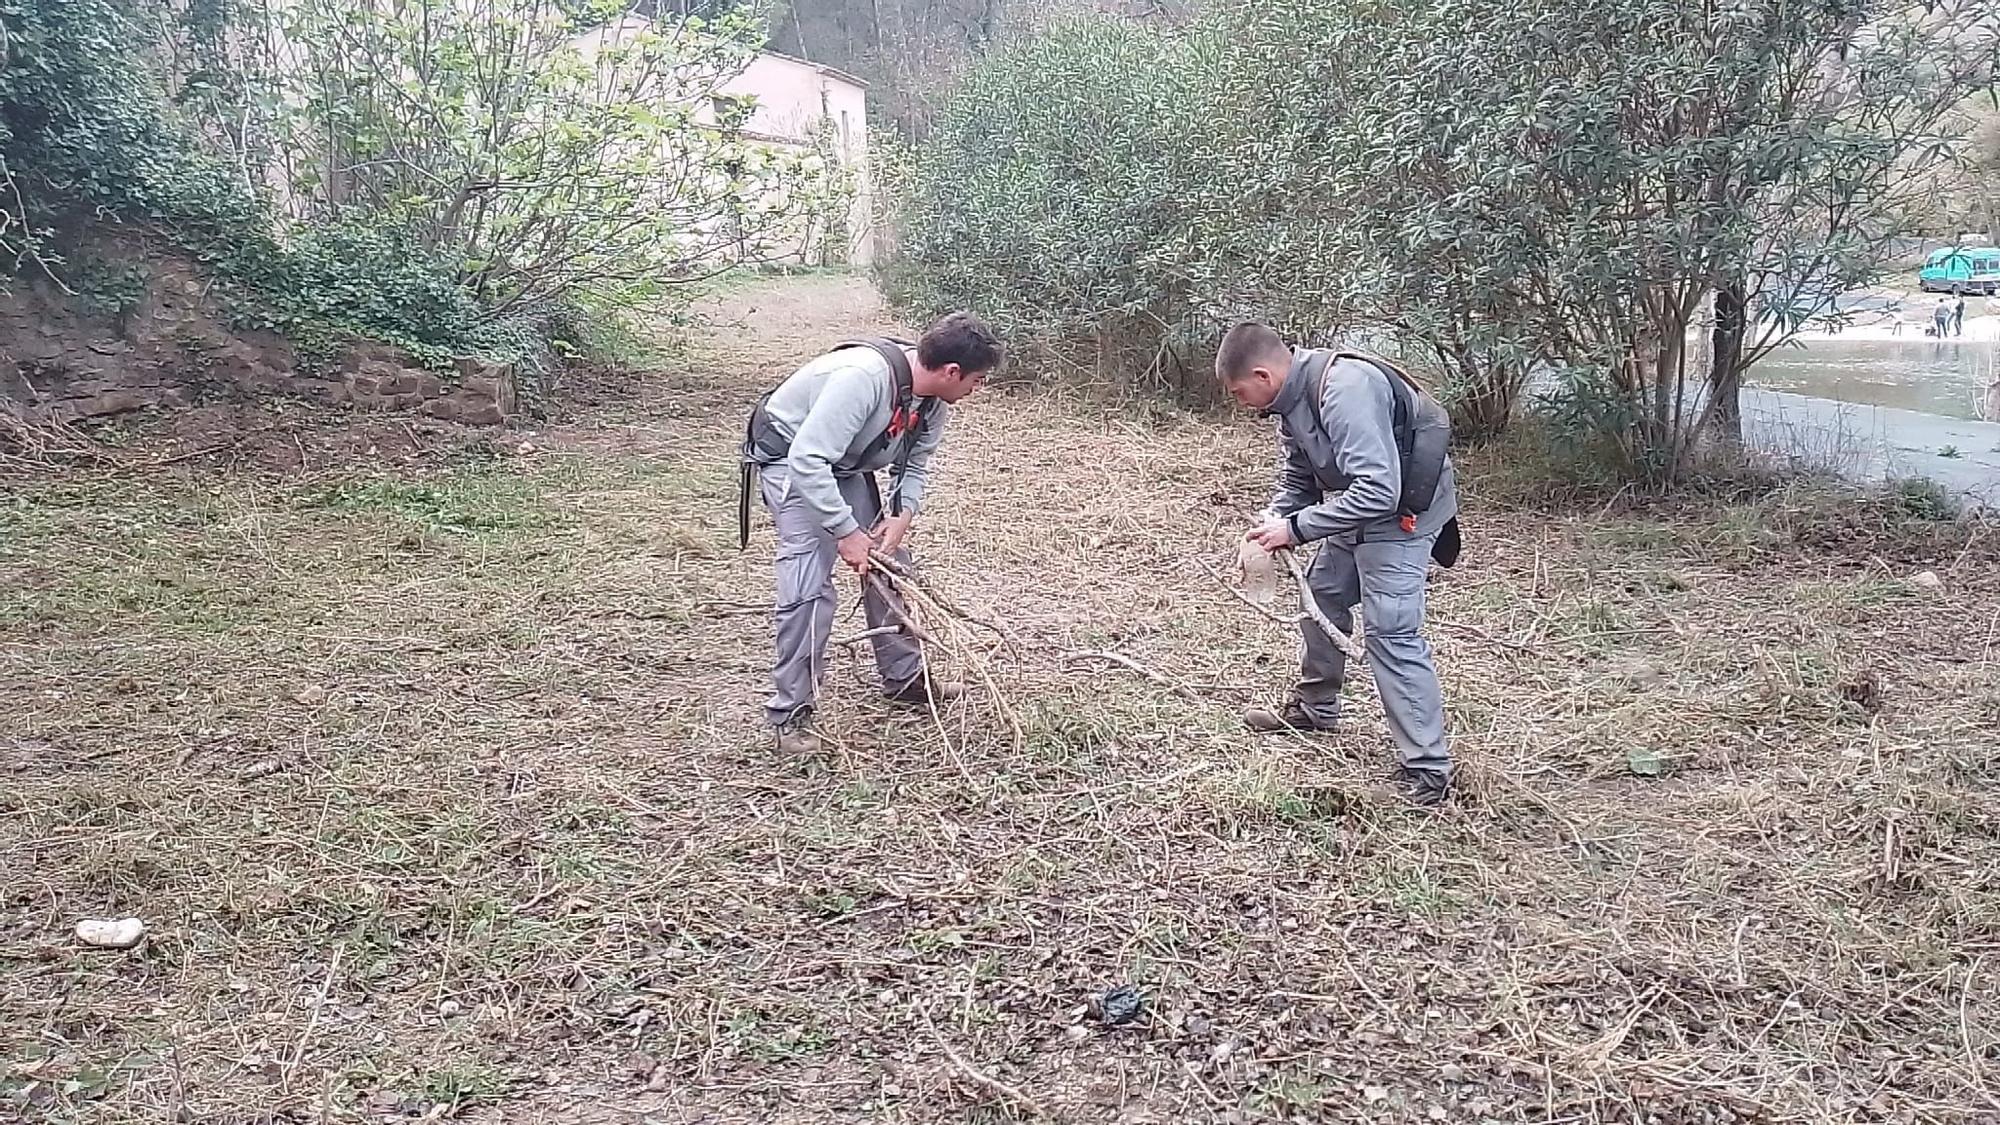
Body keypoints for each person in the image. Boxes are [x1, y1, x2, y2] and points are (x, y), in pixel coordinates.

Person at [1216, 322, 1461, 808]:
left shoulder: (1345, 389)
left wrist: (1298, 529)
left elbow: (1380, 491)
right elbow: (1300, 475)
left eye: (1239, 393)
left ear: (1263, 374)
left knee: (1391, 631)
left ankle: (1429, 770)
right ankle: (1315, 708)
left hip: (1402, 516)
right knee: (1324, 596)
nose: (1242, 403)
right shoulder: (1288, 400)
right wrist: (1279, 514)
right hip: (1356, 509)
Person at [740, 313, 1004, 756]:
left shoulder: (933, 399)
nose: (977, 390)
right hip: (794, 464)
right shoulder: (861, 380)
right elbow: (808, 459)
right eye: (977, 380)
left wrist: (903, 512)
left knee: (890, 566)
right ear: (951, 372)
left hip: (843, 467)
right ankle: (790, 715)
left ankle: (906, 680)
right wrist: (845, 532)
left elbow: (914, 462)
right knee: (808, 589)